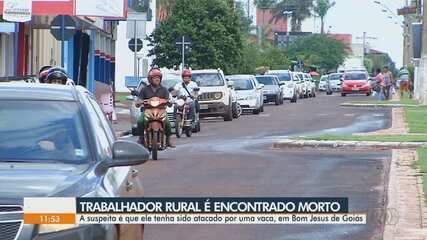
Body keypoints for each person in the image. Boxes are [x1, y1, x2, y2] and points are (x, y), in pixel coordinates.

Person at [137, 68, 175, 148]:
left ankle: (168, 140)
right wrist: (139, 102)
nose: (157, 79)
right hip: (147, 110)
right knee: (140, 121)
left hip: (161, 110)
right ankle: (141, 138)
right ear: (150, 79)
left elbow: (168, 100)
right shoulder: (144, 90)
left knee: (168, 123)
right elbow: (139, 99)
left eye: (158, 77)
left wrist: (169, 102)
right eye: (154, 78)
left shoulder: (164, 90)